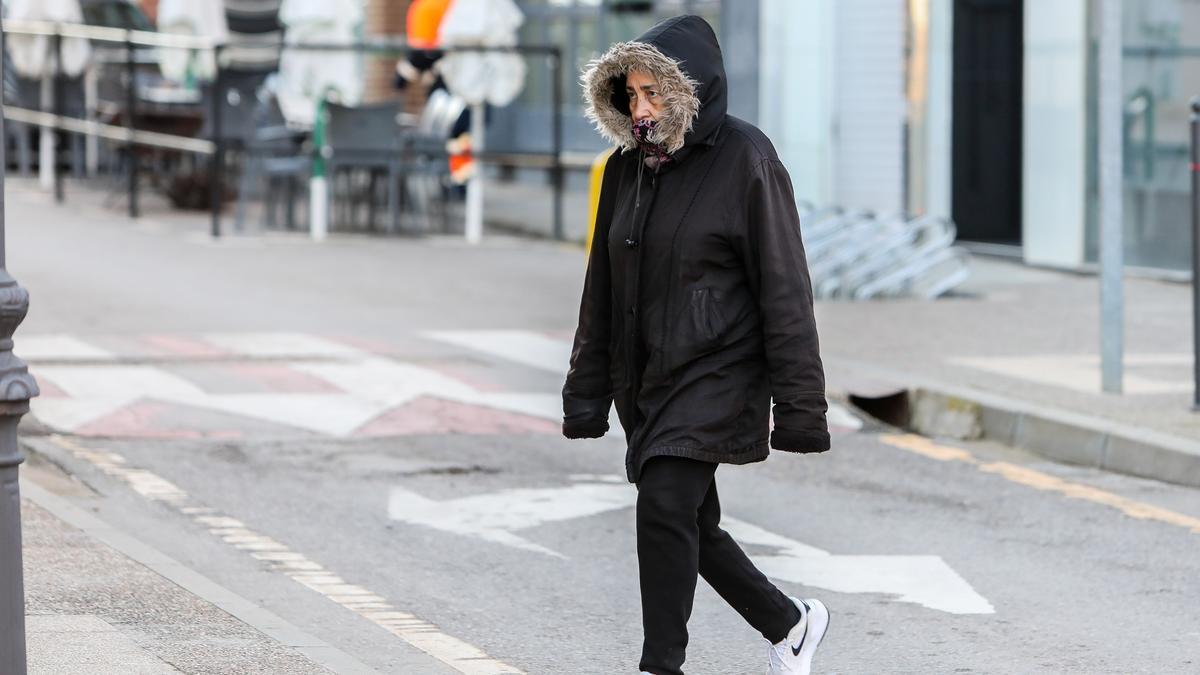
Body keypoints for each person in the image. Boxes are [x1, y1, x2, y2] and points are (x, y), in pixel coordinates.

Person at [562, 15, 832, 675]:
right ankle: (789, 624)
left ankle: (661, 665)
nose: (641, 109)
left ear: (690, 93)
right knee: (686, 520)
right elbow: (601, 285)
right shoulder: (627, 170)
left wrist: (801, 406)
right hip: (646, 379)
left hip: (720, 371)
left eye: (653, 95)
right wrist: (587, 391)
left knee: (663, 504)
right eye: (631, 95)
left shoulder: (748, 160)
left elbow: (786, 288)